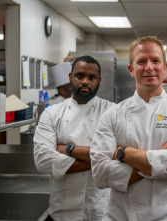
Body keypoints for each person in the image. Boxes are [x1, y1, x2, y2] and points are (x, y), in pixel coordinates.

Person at [90, 35, 167, 220]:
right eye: (141, 61)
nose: (149, 67)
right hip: (120, 216)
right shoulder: (112, 115)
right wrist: (161, 158)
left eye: (156, 61)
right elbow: (100, 174)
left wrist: (123, 153)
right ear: (131, 70)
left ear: (164, 67)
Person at [34, 56, 115, 221]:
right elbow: (43, 160)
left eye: (91, 77)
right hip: (63, 210)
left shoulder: (113, 112)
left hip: (101, 211)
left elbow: (119, 157)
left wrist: (69, 150)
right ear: (70, 77)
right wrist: (100, 159)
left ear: (99, 80)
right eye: (80, 76)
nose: (85, 81)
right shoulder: (52, 113)